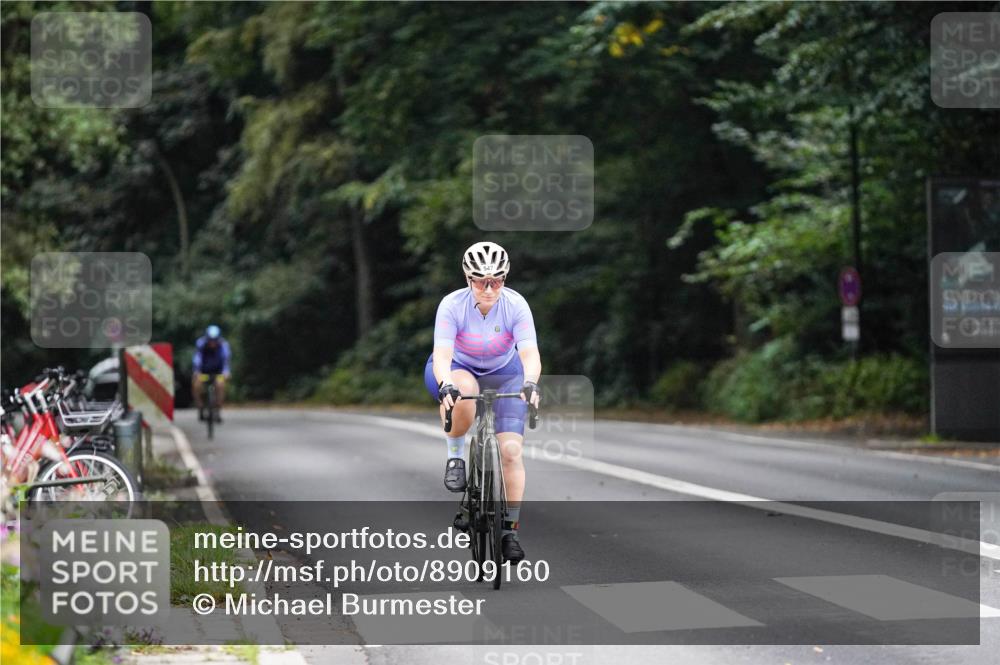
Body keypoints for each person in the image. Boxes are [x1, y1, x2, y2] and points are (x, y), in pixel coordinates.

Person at [423, 241, 542, 563]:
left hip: (505, 372)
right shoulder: (452, 305)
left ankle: (510, 531)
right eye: (480, 281)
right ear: (467, 279)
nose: (489, 288)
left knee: (510, 452)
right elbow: (443, 356)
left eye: (497, 280)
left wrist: (530, 382)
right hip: (457, 369)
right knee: (463, 389)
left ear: (505, 278)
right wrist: (446, 383)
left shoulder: (516, 305)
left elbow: (529, 353)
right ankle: (455, 457)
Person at [192, 325, 231, 421]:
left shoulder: (223, 345)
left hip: (218, 373)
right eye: (210, 340)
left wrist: (226, 372)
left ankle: (218, 409)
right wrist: (197, 372)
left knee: (220, 385)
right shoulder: (201, 344)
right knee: (197, 384)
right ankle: (200, 406)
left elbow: (226, 360)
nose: (212, 342)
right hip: (204, 373)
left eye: (215, 340)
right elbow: (197, 359)